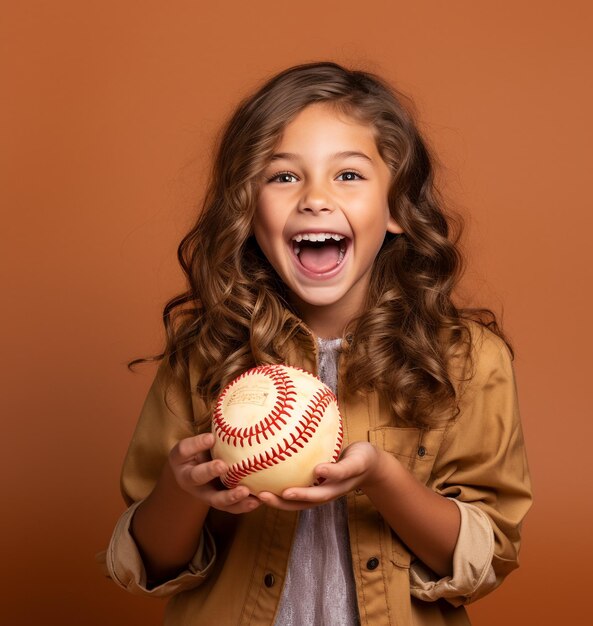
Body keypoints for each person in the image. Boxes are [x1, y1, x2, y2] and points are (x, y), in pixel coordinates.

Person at [104, 62, 532, 625]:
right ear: (247, 208)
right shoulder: (205, 353)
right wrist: (183, 490)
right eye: (282, 176)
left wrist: (382, 477)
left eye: (348, 175)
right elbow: (153, 566)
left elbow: (486, 559)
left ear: (398, 208)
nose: (314, 199)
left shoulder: (468, 359)